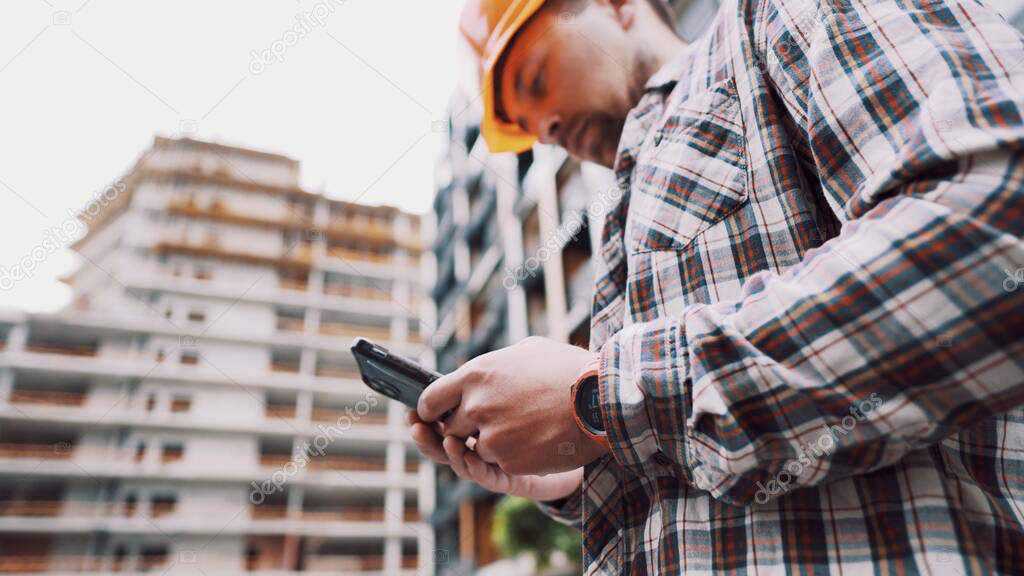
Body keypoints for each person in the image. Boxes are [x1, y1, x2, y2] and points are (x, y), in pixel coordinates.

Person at [409, 0, 1024, 572]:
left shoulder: (771, 20)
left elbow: (994, 220)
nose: (546, 124)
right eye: (527, 126)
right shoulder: (625, 208)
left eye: (536, 79)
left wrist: (602, 399)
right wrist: (583, 467)